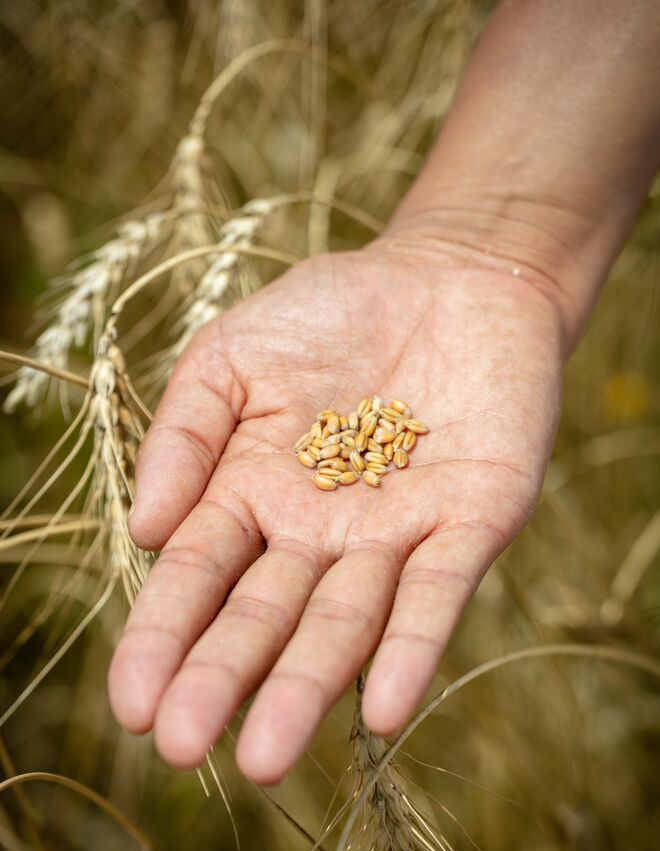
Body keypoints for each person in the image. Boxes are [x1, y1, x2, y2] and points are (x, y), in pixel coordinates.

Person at [108, 1, 660, 785]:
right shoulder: (350, 440)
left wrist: (497, 247)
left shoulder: (364, 440)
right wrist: (488, 237)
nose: (355, 445)